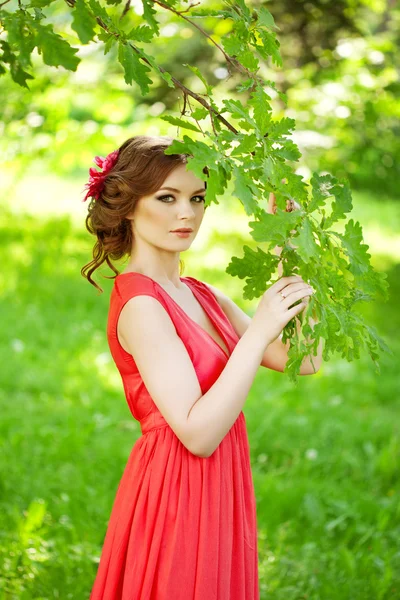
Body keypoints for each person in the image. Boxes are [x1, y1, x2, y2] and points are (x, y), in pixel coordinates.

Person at [81, 135, 319, 600]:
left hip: (220, 478)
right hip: (177, 483)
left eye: (196, 198)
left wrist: (289, 253)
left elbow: (303, 360)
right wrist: (257, 333)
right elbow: (197, 433)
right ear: (128, 205)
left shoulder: (201, 294)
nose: (185, 214)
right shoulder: (141, 304)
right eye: (166, 198)